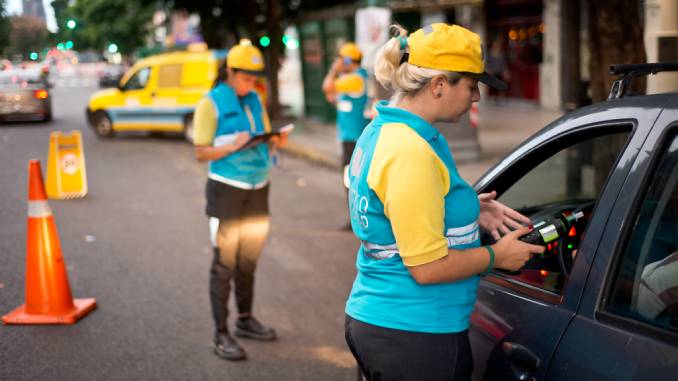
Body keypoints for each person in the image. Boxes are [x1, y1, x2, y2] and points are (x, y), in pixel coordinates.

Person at [343, 24, 545, 380]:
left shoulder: (387, 130)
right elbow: (428, 268)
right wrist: (498, 256)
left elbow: (399, 208)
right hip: (415, 334)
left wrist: (470, 207)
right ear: (438, 85)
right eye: (471, 85)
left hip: (387, 322)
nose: (477, 97)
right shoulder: (410, 151)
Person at [193, 39, 277, 362]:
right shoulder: (210, 104)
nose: (250, 84)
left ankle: (245, 320)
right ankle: (221, 333)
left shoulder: (256, 99)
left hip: (259, 188)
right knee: (225, 264)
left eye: (254, 78)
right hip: (226, 190)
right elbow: (201, 152)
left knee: (248, 260)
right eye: (245, 78)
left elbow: (264, 136)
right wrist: (232, 146)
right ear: (230, 71)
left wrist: (274, 141)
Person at [322, 42, 371, 212]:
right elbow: (331, 95)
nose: (338, 62)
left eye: (341, 59)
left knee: (352, 178)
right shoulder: (352, 78)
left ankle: (357, 216)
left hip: (353, 138)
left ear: (348, 61)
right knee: (352, 178)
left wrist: (333, 71)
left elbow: (327, 87)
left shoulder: (354, 79)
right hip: (350, 136)